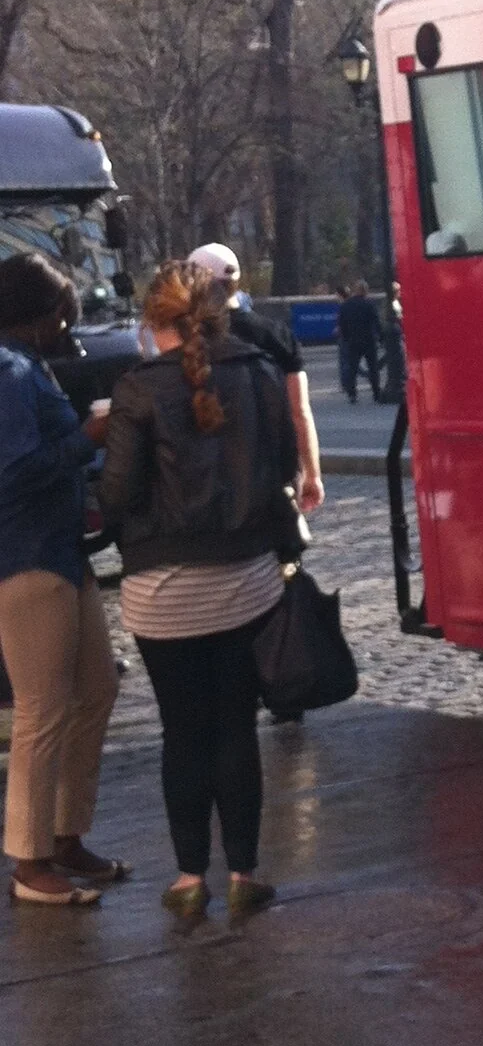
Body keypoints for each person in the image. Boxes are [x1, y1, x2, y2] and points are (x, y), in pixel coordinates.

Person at [101, 261, 300, 922]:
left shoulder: (135, 391)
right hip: (246, 581)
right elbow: (285, 468)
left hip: (161, 592)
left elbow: (119, 493)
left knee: (182, 734)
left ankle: (190, 879)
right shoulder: (259, 371)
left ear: (150, 322)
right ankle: (244, 871)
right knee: (237, 729)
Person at [0, 256, 124, 907]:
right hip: (27, 556)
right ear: (44, 315)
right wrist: (88, 437)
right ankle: (31, 860)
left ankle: (65, 834)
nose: (68, 323)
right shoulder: (10, 371)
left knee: (95, 690)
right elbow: (16, 470)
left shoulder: (23, 367)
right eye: (63, 313)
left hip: (59, 553)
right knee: (43, 711)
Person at [187, 244, 323, 516]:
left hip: (208, 467)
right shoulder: (276, 334)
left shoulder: (186, 339)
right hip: (271, 465)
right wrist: (312, 473)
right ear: (236, 282)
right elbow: (300, 412)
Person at [336, 280, 384, 404]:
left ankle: (352, 394)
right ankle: (376, 393)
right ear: (366, 291)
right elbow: (376, 322)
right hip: (368, 339)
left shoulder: (346, 305)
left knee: (352, 368)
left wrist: (346, 338)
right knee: (373, 368)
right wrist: (381, 337)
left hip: (353, 340)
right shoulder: (369, 304)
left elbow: (342, 324)